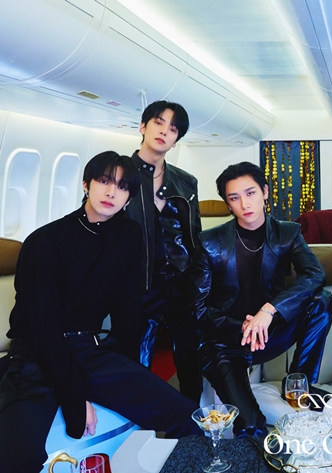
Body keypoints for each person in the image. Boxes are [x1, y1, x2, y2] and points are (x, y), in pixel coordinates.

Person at [0, 152, 201, 473]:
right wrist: (74, 397)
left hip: (92, 352)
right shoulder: (45, 242)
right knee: (17, 458)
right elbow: (43, 329)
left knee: (189, 418)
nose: (111, 192)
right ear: (85, 184)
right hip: (37, 356)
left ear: (129, 196)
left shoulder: (128, 236)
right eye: (104, 181)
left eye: (122, 187)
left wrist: (130, 372)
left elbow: (127, 312)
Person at [189, 162, 332, 437]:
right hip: (226, 343)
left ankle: (299, 382)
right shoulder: (209, 242)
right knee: (250, 426)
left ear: (265, 192)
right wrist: (243, 326)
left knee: (322, 301)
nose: (245, 204)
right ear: (228, 203)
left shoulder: (287, 233)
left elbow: (315, 274)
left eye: (251, 193)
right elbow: (196, 309)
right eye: (234, 198)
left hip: (270, 332)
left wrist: (269, 311)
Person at [124, 100, 202, 403]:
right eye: (158, 122)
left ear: (176, 139)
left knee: (190, 358)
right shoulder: (119, 176)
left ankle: (192, 419)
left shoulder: (186, 182)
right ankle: (138, 419)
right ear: (143, 127)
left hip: (182, 283)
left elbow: (194, 236)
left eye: (173, 129)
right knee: (138, 358)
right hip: (138, 284)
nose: (164, 131)